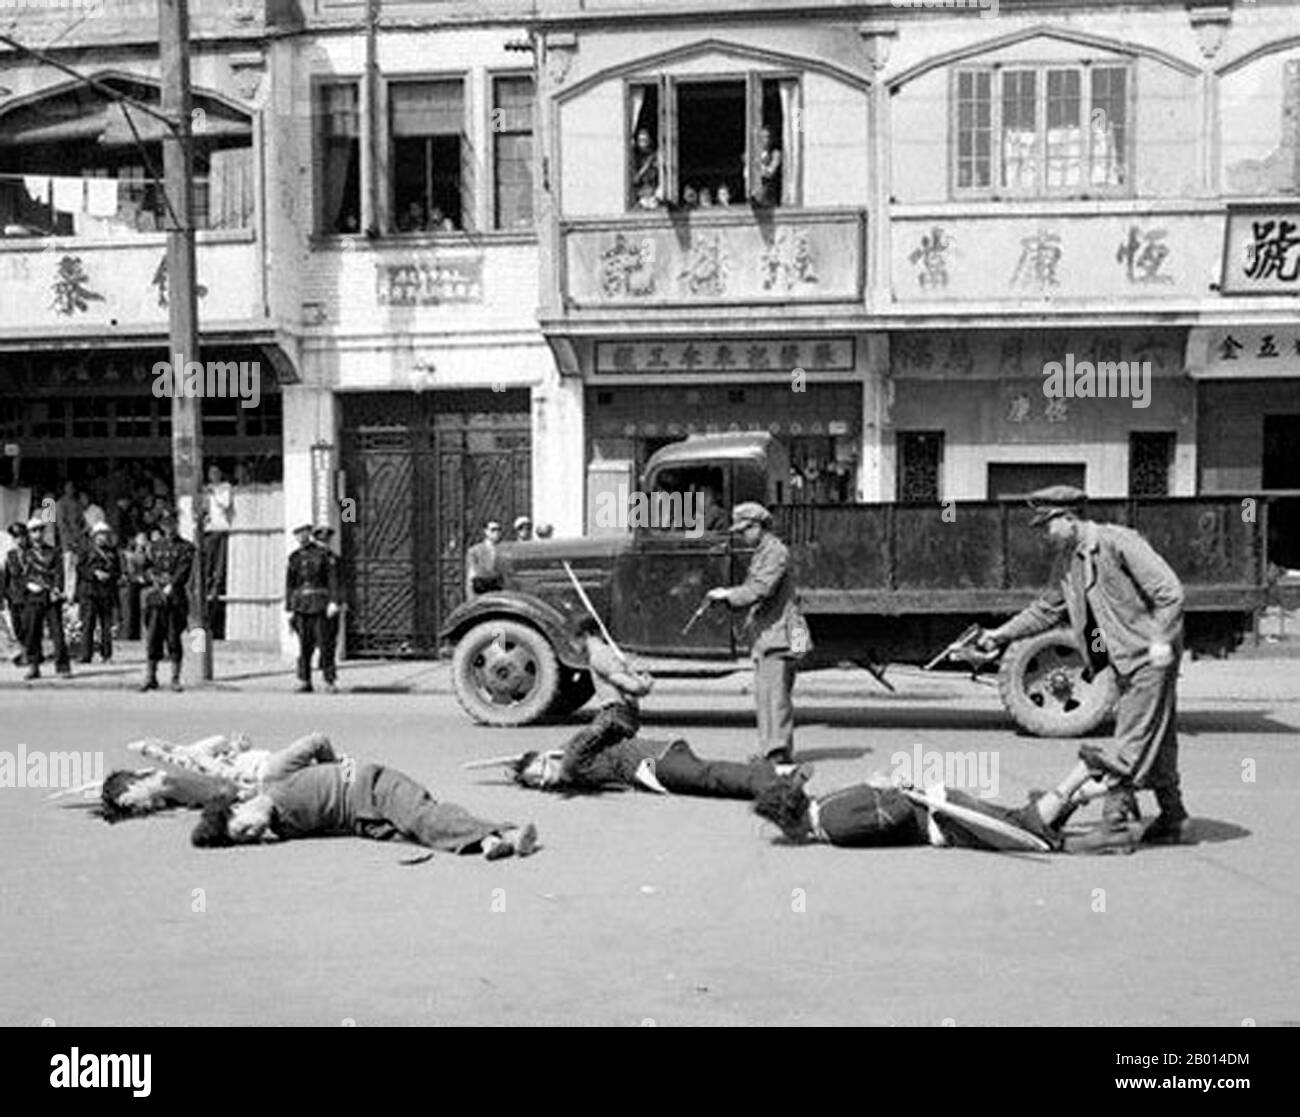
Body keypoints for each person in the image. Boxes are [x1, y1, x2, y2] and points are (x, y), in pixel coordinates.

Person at [974, 485, 1191, 844]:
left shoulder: (1117, 542)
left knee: (1130, 740)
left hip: (1146, 658)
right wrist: (1000, 635)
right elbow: (1045, 609)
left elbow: (1170, 592)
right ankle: (1175, 817)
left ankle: (1115, 826)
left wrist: (1158, 641)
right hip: (1118, 661)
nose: (1044, 535)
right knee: (1159, 739)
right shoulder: (1069, 560)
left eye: (1047, 526)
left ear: (1068, 518)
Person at [190, 732, 538, 861]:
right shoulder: (283, 830)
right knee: (417, 836)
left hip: (373, 785)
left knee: (423, 818)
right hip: (364, 821)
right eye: (247, 841)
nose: (254, 835)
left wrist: (338, 771)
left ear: (237, 808)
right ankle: (489, 843)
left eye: (244, 829)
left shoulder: (274, 775)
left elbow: (317, 740)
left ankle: (505, 834)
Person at [752, 767, 1141, 855]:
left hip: (945, 819)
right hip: (945, 805)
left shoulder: (835, 827)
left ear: (790, 820)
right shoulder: (828, 802)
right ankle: (1098, 788)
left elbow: (898, 813)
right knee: (1022, 822)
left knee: (1034, 839)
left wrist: (893, 790)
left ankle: (1080, 774)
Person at [706, 502, 807, 765]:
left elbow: (760, 589)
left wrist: (728, 595)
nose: (741, 536)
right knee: (765, 695)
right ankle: (770, 750)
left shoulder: (774, 552)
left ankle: (777, 752)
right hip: (770, 633)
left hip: (781, 634)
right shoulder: (763, 551)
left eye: (744, 530)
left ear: (758, 526)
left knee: (775, 697)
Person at [510, 733, 810, 799]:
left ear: (546, 758)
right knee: (708, 776)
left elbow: (602, 726)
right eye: (537, 783)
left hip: (652, 760)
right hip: (656, 760)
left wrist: (565, 753)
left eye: (541, 773)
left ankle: (778, 780)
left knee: (708, 777)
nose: (544, 782)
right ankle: (776, 775)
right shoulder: (571, 763)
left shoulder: (572, 759)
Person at [556, 615, 654, 778]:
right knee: (608, 755)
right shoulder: (610, 654)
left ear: (585, 635)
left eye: (573, 640)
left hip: (614, 717)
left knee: (572, 758)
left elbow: (628, 686)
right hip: (625, 717)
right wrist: (644, 686)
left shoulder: (599, 656)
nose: (572, 645)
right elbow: (632, 691)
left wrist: (641, 686)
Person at [140, 508, 195, 692]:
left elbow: (184, 569)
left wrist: (171, 584)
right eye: (165, 524)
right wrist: (153, 579)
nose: (168, 527)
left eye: (171, 524)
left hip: (174, 598)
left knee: (173, 639)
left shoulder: (185, 547)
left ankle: (175, 678)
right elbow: (146, 567)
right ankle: (151, 677)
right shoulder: (154, 546)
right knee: (153, 638)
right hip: (156, 599)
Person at [285, 523, 340, 694]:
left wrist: (334, 601)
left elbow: (333, 580)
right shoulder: (294, 557)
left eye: (304, 534)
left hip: (320, 604)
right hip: (301, 605)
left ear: (309, 535)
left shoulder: (324, 555)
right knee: (304, 645)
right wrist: (289, 607)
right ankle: (304, 680)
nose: (301, 538)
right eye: (298, 535)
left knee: (326, 644)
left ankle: (329, 680)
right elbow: (290, 584)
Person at [20, 515, 71, 680]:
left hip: (50, 596)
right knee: (33, 633)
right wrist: (28, 585)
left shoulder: (53, 551)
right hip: (34, 597)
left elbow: (59, 573)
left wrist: (57, 589)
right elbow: (21, 576)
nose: (38, 534)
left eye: (40, 530)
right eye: (34, 531)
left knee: (57, 633)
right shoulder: (25, 555)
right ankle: (34, 666)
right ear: (29, 534)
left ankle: (62, 667)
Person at [76, 522, 121, 663]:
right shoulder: (86, 550)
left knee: (106, 625)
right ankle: (85, 655)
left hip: (106, 592)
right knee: (88, 624)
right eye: (100, 534)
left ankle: (106, 655)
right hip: (89, 591)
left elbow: (118, 571)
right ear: (94, 536)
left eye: (105, 534)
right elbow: (80, 569)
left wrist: (110, 575)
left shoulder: (113, 551)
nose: (103, 537)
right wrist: (94, 573)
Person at [202, 465, 234, 640]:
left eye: (215, 473)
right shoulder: (205, 490)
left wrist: (213, 494)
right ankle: (207, 586)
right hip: (208, 529)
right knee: (207, 564)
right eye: (210, 473)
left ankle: (215, 587)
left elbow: (225, 504)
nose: (212, 476)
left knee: (219, 566)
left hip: (221, 528)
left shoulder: (225, 487)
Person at [311, 524, 344, 690]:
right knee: (310, 643)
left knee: (329, 642)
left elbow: (339, 582)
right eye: (321, 540)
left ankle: (328, 678)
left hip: (328, 606)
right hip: (311, 606)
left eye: (326, 540)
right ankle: (307, 679)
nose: (324, 543)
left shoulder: (334, 558)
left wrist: (338, 601)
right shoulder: (307, 558)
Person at [3, 522, 30, 665]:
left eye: (21, 536)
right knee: (17, 627)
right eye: (16, 537)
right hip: (14, 596)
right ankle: (19, 652)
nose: (19, 540)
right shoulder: (10, 554)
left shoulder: (32, 553)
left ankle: (24, 654)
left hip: (28, 595)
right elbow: (6, 575)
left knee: (27, 626)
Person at [55, 482, 85, 598]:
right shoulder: (60, 503)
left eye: (72, 488)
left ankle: (75, 593)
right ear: (64, 489)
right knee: (68, 567)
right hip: (67, 541)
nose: (71, 490)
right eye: (68, 488)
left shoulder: (77, 504)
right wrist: (70, 540)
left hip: (79, 539)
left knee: (78, 566)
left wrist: (80, 536)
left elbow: (82, 522)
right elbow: (62, 524)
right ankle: (69, 594)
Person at [465, 520, 503, 597]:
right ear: (486, 531)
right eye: (493, 530)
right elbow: (471, 577)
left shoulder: (505, 550)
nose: (496, 532)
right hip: (482, 592)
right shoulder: (475, 551)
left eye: (499, 529)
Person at [631, 127, 662, 209]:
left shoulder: (654, 156)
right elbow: (635, 179)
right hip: (639, 193)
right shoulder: (634, 157)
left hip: (653, 192)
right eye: (640, 140)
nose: (642, 143)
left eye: (645, 140)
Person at [752, 125, 783, 207]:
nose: (765, 140)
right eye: (762, 137)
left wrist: (759, 167)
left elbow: (770, 173)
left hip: (769, 195)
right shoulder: (753, 154)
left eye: (767, 137)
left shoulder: (775, 153)